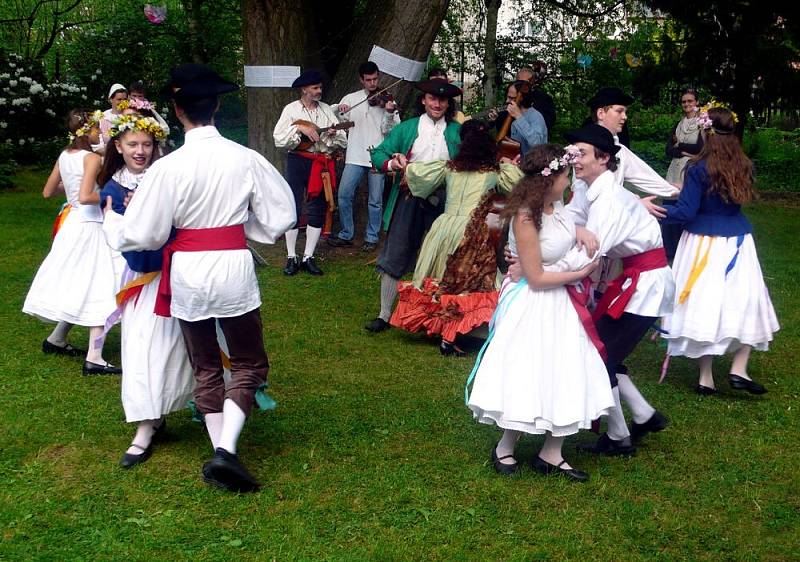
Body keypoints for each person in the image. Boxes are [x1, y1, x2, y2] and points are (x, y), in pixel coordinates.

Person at [101, 64, 296, 493]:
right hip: (231, 268)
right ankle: (225, 450)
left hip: (187, 273)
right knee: (247, 361)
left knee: (206, 363)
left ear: (176, 110)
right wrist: (240, 230)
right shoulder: (245, 158)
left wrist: (115, 224)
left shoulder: (166, 170)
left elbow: (144, 233)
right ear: (219, 107)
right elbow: (282, 216)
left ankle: (223, 452)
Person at [467, 144, 613, 481]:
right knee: (529, 371)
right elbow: (536, 276)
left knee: (566, 370)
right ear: (547, 181)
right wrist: (580, 273)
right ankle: (505, 446)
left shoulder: (555, 205)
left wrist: (581, 231)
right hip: (535, 301)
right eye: (565, 175)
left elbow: (560, 231)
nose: (570, 180)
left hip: (560, 303)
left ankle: (552, 452)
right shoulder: (524, 217)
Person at [554, 124, 675, 456]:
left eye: (581, 153)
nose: (573, 159)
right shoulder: (591, 188)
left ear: (604, 158)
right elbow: (571, 222)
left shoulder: (610, 200)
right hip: (637, 282)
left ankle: (622, 434)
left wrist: (543, 272)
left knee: (596, 354)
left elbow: (590, 251)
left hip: (645, 286)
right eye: (572, 152)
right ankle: (641, 416)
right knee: (602, 352)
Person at [647, 106, 779, 395]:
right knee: (745, 297)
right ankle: (738, 368)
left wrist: (654, 211)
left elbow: (685, 213)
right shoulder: (744, 164)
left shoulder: (697, 167)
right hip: (737, 241)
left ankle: (706, 377)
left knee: (704, 300)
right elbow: (720, 198)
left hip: (702, 243)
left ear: (706, 132)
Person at [97, 112, 191, 468]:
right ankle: (147, 424)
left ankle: (211, 409)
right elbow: (128, 243)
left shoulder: (167, 177)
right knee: (142, 351)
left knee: (186, 346)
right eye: (133, 144)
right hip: (145, 283)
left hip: (178, 275)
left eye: (147, 144)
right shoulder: (114, 188)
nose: (140, 151)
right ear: (118, 146)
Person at [389, 120, 522, 354]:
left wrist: (404, 164)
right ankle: (460, 330)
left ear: (462, 143)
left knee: (441, 274)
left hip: (444, 227)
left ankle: (442, 328)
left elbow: (416, 174)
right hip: (473, 230)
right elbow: (519, 184)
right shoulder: (494, 171)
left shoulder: (449, 167)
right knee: (470, 280)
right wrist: (507, 163)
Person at [23, 109, 122, 375]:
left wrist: (71, 186)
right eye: (97, 129)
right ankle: (95, 356)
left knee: (81, 282)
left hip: (72, 225)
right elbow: (86, 195)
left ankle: (57, 338)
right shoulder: (90, 158)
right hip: (89, 226)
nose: (100, 133)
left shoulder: (66, 155)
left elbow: (48, 192)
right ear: (86, 131)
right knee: (100, 284)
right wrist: (112, 199)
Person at [364, 79, 462, 333]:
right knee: (395, 252)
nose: (437, 104)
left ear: (448, 104)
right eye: (432, 99)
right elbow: (379, 153)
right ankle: (384, 315)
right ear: (423, 100)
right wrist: (392, 164)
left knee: (442, 256)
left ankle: (439, 316)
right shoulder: (407, 128)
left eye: (442, 100)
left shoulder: (456, 132)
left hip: (443, 202)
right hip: (408, 198)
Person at [273, 69, 347, 276]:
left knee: (318, 208)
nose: (319, 91)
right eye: (315, 88)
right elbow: (279, 139)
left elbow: (342, 139)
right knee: (293, 206)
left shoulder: (325, 110)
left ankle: (308, 256)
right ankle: (291, 257)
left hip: (320, 163)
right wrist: (300, 130)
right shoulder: (291, 110)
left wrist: (331, 135)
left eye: (320, 87)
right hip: (297, 161)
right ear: (304, 89)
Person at [328, 62, 400, 251]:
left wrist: (390, 113)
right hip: (354, 154)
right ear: (361, 80)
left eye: (375, 79)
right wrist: (339, 109)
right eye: (368, 80)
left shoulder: (388, 99)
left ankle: (372, 236)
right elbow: (336, 119)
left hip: (378, 155)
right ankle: (346, 233)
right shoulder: (351, 99)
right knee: (344, 195)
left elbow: (390, 131)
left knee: (375, 199)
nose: (372, 83)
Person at [662, 88, 704, 260]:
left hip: (691, 169)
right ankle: (669, 247)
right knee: (669, 202)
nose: (687, 104)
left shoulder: (702, 123)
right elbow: (668, 149)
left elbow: (700, 148)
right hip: (674, 169)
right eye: (684, 101)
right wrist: (684, 151)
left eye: (690, 101)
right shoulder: (679, 124)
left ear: (697, 103)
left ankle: (685, 247)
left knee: (685, 204)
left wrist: (681, 147)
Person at [503, 80, 548, 157]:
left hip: (535, 165)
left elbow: (537, 144)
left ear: (521, 98)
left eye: (511, 98)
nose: (507, 101)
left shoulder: (536, 116)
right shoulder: (511, 117)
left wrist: (519, 117)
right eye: (507, 97)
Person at [515, 61, 556, 134]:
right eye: (519, 82)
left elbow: (546, 125)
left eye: (526, 83)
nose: (522, 85)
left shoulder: (544, 99)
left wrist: (522, 115)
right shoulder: (513, 95)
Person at [98, 83, 128, 150]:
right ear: (111, 99)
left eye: (125, 99)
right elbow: (100, 140)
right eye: (119, 99)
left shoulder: (130, 116)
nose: (122, 102)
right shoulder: (104, 117)